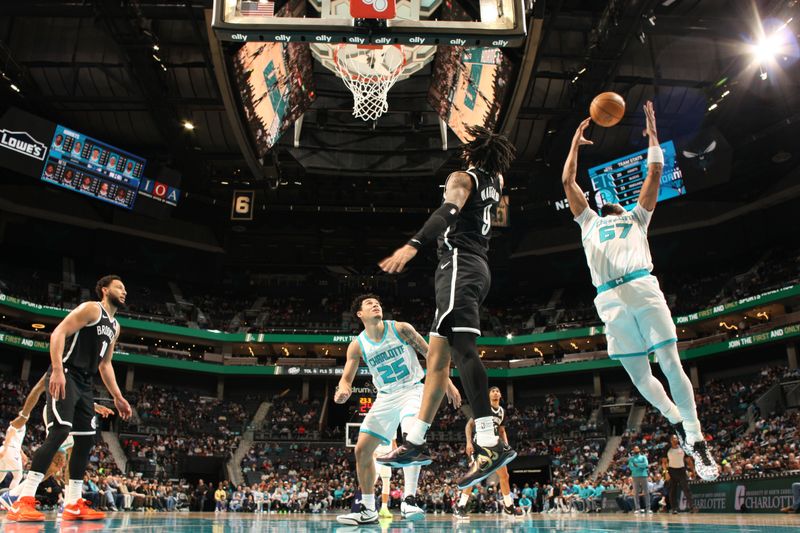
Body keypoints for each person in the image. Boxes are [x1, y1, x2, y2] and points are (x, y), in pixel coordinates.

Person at [560, 102, 718, 481]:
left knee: (669, 362)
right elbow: (568, 183)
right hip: (609, 300)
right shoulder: (588, 222)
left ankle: (696, 439)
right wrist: (574, 146)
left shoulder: (637, 216)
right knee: (638, 376)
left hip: (642, 287)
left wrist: (652, 133)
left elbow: (656, 170)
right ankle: (675, 419)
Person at [377, 126, 518, 489]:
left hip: (459, 265)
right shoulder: (495, 180)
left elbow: (448, 210)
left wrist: (412, 244)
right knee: (437, 362)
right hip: (473, 267)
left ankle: (489, 443)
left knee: (464, 350)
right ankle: (415, 441)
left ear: (471, 153)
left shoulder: (463, 177)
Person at [6, 275, 132, 522]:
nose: (124, 291)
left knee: (85, 442)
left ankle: (73, 503)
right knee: (60, 432)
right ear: (104, 289)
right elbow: (58, 333)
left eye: (125, 288)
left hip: (86, 383)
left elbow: (105, 365)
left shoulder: (115, 326)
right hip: (66, 371)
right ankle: (23, 500)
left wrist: (117, 396)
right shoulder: (91, 309)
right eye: (119, 287)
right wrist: (56, 369)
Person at [334, 294, 461, 525]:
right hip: (385, 397)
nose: (376, 305)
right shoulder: (357, 345)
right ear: (359, 314)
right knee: (362, 450)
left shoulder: (401, 329)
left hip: (412, 389)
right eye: (369, 304)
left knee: (411, 438)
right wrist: (342, 391)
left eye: (378, 303)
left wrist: (448, 384)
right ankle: (368, 509)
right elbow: (346, 379)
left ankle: (409, 500)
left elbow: (431, 355)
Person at [0, 372, 115, 511]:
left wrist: (93, 405)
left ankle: (69, 501)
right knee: (62, 458)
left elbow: (76, 392)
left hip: (71, 411)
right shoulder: (62, 363)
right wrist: (24, 415)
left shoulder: (82, 368)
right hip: (58, 409)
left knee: (61, 462)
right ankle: (69, 501)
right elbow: (38, 389)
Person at [453, 386, 522, 519]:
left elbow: (502, 431)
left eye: (497, 391)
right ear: (488, 395)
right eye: (493, 391)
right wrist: (468, 443)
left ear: (500, 395)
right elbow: (469, 425)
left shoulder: (502, 411)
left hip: (496, 447)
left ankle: (508, 506)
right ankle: (460, 507)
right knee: (473, 477)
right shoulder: (482, 408)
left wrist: (506, 445)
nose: (496, 393)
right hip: (481, 447)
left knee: (505, 476)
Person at [661, 434, 697, 513]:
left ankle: (692, 507)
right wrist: (666, 473)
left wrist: (693, 471)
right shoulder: (667, 448)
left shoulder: (683, 447)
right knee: (672, 491)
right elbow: (664, 462)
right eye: (673, 438)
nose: (675, 440)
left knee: (686, 489)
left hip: (682, 471)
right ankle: (675, 509)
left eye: (676, 438)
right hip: (671, 471)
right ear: (671, 440)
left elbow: (688, 460)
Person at [628, 446, 650, 514]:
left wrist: (636, 465)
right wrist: (641, 466)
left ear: (639, 449)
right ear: (633, 450)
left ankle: (648, 508)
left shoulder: (643, 457)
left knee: (646, 492)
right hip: (635, 476)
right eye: (635, 449)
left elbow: (646, 464)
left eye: (637, 448)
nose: (636, 449)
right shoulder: (631, 459)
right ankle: (637, 508)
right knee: (636, 493)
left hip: (644, 475)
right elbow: (631, 467)